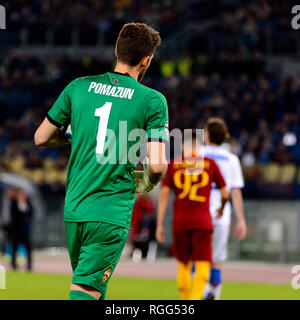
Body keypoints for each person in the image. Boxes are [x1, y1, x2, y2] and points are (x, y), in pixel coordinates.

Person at [34, 22, 169, 300]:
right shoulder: (152, 101)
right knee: (85, 291)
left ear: (116, 51)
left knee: (92, 289)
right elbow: (157, 165)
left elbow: (40, 137)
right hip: (109, 213)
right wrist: (145, 183)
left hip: (74, 209)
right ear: (146, 60)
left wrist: (74, 134)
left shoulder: (78, 87)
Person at [155, 132, 229, 300]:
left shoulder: (174, 164)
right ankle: (195, 299)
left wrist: (159, 224)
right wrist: (221, 209)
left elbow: (164, 196)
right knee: (202, 262)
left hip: (180, 223)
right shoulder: (210, 164)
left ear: (183, 146)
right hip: (203, 222)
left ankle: (186, 300)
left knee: (183, 264)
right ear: (199, 146)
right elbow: (225, 194)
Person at [203, 117, 247, 300]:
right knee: (217, 260)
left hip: (200, 213)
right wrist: (241, 220)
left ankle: (199, 293)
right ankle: (214, 294)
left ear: (207, 134)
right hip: (221, 216)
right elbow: (235, 192)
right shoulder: (232, 159)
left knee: (197, 258)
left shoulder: (197, 154)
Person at [10, 188, 33, 271]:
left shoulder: (27, 203)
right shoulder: (14, 203)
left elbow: (31, 213)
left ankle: (29, 266)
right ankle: (14, 265)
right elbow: (13, 215)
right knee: (14, 247)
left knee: (28, 248)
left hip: (25, 230)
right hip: (16, 230)